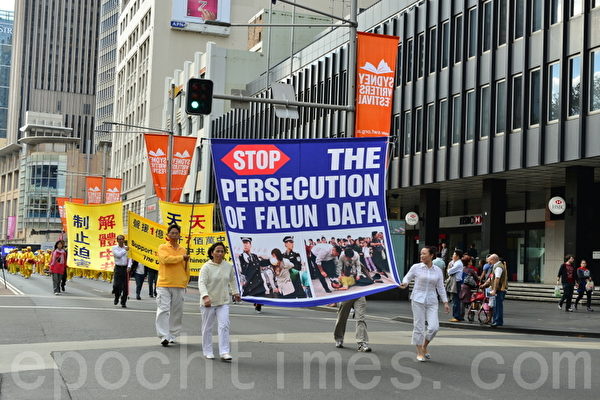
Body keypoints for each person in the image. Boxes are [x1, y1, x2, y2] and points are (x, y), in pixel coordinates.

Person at [400, 246, 450, 361]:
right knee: (419, 326)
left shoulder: (437, 270)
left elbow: (440, 287)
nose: (421, 256)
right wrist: (405, 283)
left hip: (432, 300)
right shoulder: (416, 267)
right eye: (421, 253)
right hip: (417, 299)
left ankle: (424, 345)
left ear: (431, 255)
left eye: (424, 254)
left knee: (434, 327)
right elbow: (407, 278)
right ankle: (419, 352)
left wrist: (445, 302)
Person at [199, 242, 240, 361]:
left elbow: (233, 280)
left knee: (224, 325)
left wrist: (236, 292)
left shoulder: (228, 266)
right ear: (212, 253)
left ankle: (224, 352)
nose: (220, 253)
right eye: (217, 251)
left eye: (222, 251)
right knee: (207, 328)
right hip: (209, 302)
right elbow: (201, 283)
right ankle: (208, 351)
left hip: (223, 301)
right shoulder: (206, 267)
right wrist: (205, 296)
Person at [156, 224, 190, 346]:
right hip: (164, 283)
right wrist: (181, 258)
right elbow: (165, 259)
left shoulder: (183, 250)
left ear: (179, 235)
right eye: (172, 233)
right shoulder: (162, 247)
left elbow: (186, 267)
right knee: (163, 309)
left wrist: (186, 280)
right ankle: (163, 336)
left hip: (179, 284)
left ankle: (172, 335)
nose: (174, 235)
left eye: (177, 233)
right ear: (168, 235)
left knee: (177, 312)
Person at [238, 237, 267, 312]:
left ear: (250, 245)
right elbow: (241, 270)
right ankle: (256, 303)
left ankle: (258, 304)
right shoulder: (241, 257)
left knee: (260, 297)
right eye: (244, 243)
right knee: (253, 296)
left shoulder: (254, 256)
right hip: (249, 282)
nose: (245, 245)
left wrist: (269, 261)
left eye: (247, 243)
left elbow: (260, 264)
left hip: (258, 282)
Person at [488, 254, 508, 327]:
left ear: (493, 260)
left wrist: (494, 290)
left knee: (498, 306)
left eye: (490, 260)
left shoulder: (498, 267)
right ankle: (496, 320)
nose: (489, 262)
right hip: (499, 289)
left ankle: (498, 321)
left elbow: (497, 278)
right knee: (496, 305)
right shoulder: (497, 266)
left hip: (500, 289)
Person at [112, 235, 130, 308]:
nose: (121, 240)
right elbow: (118, 255)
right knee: (116, 285)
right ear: (117, 240)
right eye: (119, 239)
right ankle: (117, 297)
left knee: (125, 287)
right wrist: (125, 250)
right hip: (118, 268)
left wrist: (129, 266)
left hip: (125, 268)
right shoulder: (114, 248)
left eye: (122, 239)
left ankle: (123, 302)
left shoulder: (127, 248)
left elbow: (130, 258)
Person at [447, 249, 464, 322]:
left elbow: (449, 271)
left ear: (457, 256)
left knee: (455, 300)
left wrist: (449, 269)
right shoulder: (456, 262)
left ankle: (456, 316)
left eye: (454, 254)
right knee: (455, 299)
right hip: (455, 282)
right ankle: (458, 316)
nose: (453, 256)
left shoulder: (458, 264)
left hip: (456, 283)